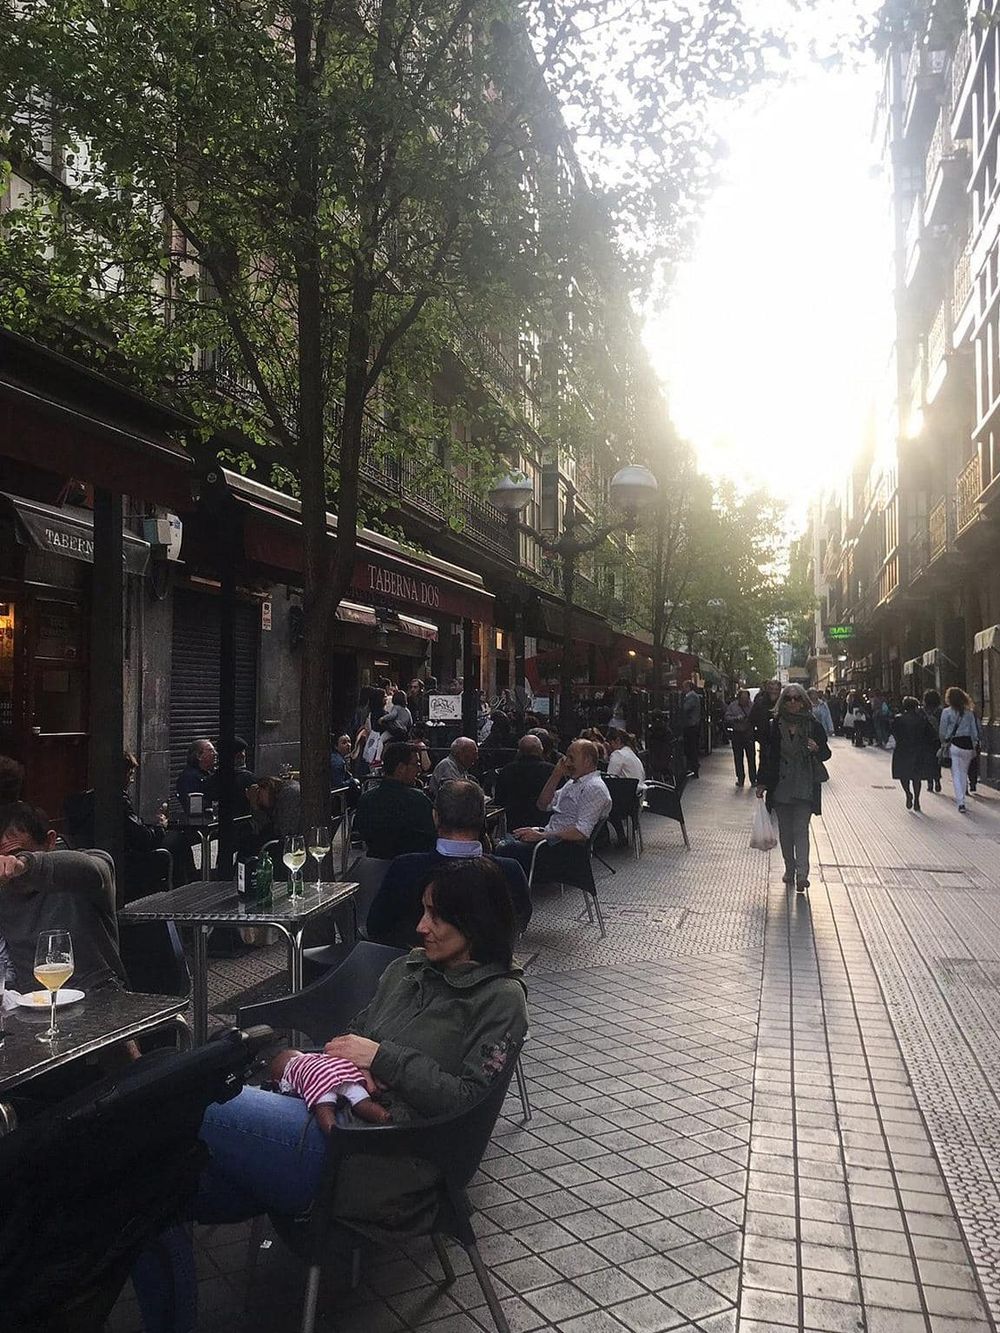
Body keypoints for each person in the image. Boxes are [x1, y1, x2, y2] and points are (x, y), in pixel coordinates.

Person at [132, 858, 528, 1329]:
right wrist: (325, 1066)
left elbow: (465, 1103)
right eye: (423, 910)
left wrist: (383, 1060)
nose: (421, 926)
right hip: (325, 1118)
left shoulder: (500, 999)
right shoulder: (408, 969)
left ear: (476, 922)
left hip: (376, 1154)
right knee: (145, 1190)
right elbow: (349, 1043)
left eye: (436, 916)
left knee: (182, 1102)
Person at [367, 779, 531, 946]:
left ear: (435, 817)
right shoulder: (510, 871)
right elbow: (517, 924)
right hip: (487, 966)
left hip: (418, 965)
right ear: (483, 818)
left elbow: (376, 928)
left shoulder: (405, 869)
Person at [0, 845, 126, 991]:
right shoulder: (5, 890)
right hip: (32, 1002)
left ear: (49, 840)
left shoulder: (83, 869)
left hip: (99, 994)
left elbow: (95, 870)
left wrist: (25, 865)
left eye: (15, 854)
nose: (7, 866)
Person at [497, 739, 612, 878]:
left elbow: (582, 832)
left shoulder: (594, 788)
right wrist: (556, 774)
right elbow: (543, 805)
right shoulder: (573, 783)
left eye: (571, 758)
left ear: (587, 761)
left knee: (502, 851)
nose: (567, 763)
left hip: (560, 849)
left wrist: (542, 835)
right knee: (503, 842)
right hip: (550, 839)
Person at [756, 683, 832, 893]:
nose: (792, 702)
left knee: (801, 830)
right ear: (782, 701)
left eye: (796, 698)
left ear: (803, 702)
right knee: (786, 832)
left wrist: (816, 749)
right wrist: (761, 782)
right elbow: (766, 755)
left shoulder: (813, 725)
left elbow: (826, 753)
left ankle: (802, 874)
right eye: (788, 698)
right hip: (780, 785)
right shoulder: (775, 725)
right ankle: (789, 869)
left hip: (804, 785)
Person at [267, 1047, 391, 1130]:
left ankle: (332, 1130)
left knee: (324, 1109)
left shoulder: (288, 1074)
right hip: (344, 1072)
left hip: (320, 1080)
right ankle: (382, 1115)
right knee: (362, 1102)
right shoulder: (316, 1057)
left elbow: (290, 1093)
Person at [353, 742, 436, 858]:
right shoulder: (419, 800)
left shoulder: (366, 798)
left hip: (376, 863)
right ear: (401, 768)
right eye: (416, 764)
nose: (419, 769)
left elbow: (360, 831)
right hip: (411, 867)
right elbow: (431, 834)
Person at [494, 735, 555, 834]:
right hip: (543, 825)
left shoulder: (507, 770)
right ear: (541, 750)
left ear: (520, 751)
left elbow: (499, 800)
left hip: (514, 825)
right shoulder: (551, 771)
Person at [890, 697, 937, 812]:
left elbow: (893, 732)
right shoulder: (922, 720)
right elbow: (931, 734)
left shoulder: (898, 720)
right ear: (915, 707)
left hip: (902, 750)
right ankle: (916, 799)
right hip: (918, 750)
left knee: (903, 775)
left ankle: (907, 793)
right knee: (917, 777)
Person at [939, 686, 982, 812]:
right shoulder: (969, 713)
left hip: (954, 745)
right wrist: (976, 744)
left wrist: (943, 743)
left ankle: (961, 802)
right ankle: (962, 797)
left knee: (956, 774)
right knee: (963, 773)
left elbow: (942, 731)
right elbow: (974, 731)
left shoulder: (946, 712)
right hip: (967, 745)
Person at [724, 690, 756, 787]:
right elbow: (726, 717)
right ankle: (740, 779)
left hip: (749, 733)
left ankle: (753, 779)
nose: (744, 700)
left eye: (746, 698)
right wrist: (736, 718)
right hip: (737, 734)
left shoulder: (752, 706)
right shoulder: (733, 706)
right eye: (742, 698)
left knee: (751, 757)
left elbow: (757, 717)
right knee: (738, 757)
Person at [176, 738, 218, 806]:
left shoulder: (207, 773)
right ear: (199, 756)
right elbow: (196, 806)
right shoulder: (189, 778)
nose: (215, 753)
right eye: (210, 751)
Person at [749, 680, 781, 764]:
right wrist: (757, 735)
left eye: (776, 689)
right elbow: (751, 720)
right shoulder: (760, 703)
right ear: (767, 689)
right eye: (771, 689)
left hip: (781, 742)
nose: (773, 691)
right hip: (765, 741)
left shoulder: (783, 704)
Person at [923, 689, 944, 793]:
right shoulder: (940, 711)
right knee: (937, 761)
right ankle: (937, 780)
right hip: (937, 739)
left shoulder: (923, 711)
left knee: (927, 761)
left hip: (926, 740)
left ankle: (929, 782)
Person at [680, 680, 702, 778]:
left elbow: (685, 709)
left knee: (691, 748)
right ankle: (693, 767)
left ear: (688, 687)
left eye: (684, 687)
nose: (683, 689)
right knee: (691, 748)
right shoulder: (692, 696)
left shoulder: (692, 697)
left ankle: (693, 769)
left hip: (691, 726)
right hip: (692, 725)